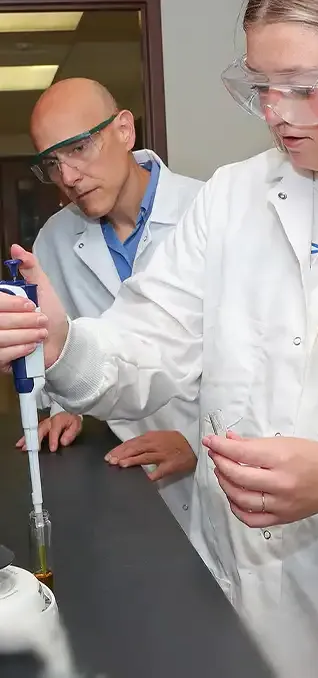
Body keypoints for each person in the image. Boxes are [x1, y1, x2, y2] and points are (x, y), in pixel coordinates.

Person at [1, 0, 318, 676]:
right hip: (234, 607)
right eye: (259, 85)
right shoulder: (236, 198)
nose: (276, 112)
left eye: (304, 87)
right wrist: (61, 341)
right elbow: (147, 345)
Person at [16, 78, 202, 534]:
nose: (68, 177)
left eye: (79, 148)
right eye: (53, 163)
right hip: (119, 478)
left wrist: (200, 443)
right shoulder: (55, 241)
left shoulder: (209, 212)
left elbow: (267, 361)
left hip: (220, 471)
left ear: (124, 130)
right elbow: (55, 348)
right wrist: (63, 405)